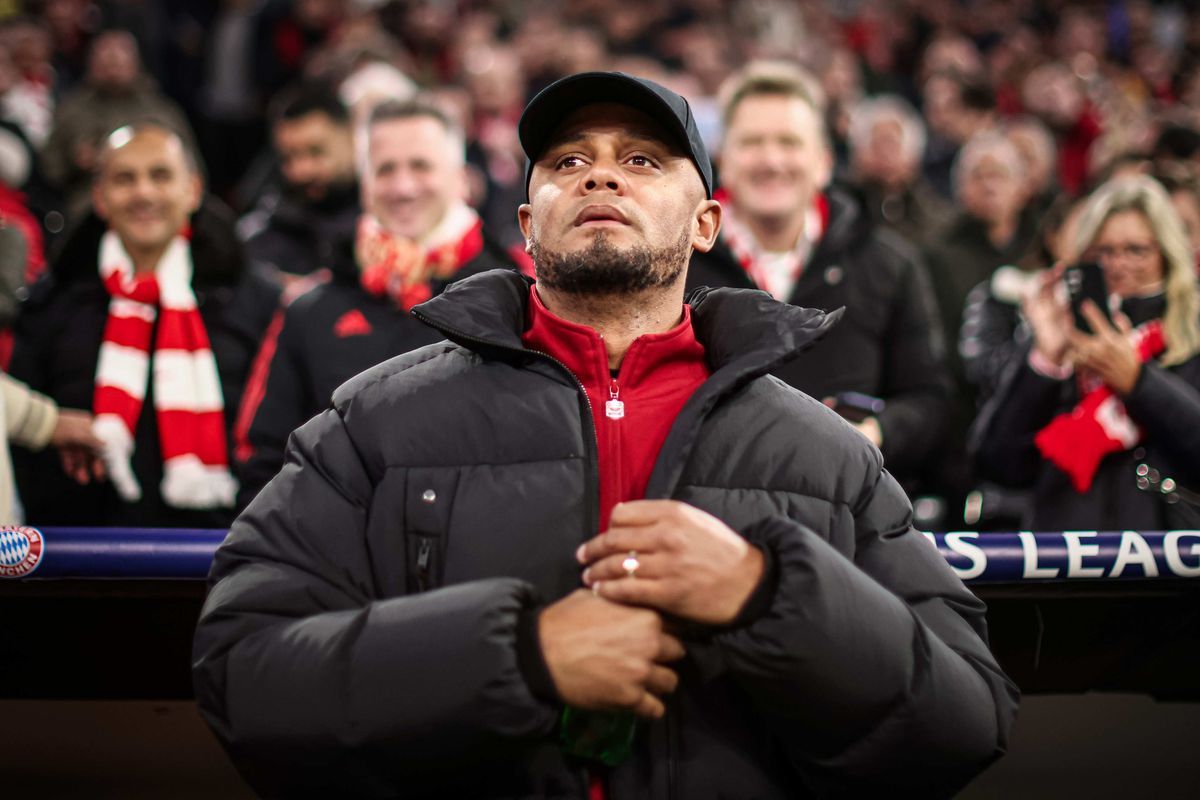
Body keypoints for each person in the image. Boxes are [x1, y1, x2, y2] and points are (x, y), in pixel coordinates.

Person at [194, 71, 1016, 798]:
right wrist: (517, 657)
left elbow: (964, 722)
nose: (602, 176)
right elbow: (244, 672)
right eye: (567, 162)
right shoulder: (375, 423)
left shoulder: (826, 454)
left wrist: (769, 598)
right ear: (527, 222)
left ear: (705, 224)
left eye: (644, 160)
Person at [234, 98, 520, 508]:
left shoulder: (517, 300)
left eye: (421, 166)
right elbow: (262, 460)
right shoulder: (309, 310)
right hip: (341, 560)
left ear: (461, 179)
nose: (403, 187)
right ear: (364, 182)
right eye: (386, 169)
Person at [686, 61, 951, 490]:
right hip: (709, 512)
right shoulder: (674, 263)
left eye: (789, 142)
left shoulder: (889, 264)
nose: (772, 160)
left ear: (824, 162)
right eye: (752, 142)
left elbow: (931, 401)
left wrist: (874, 434)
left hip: (847, 513)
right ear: (723, 160)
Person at [9, 122, 279, 527]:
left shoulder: (254, 299)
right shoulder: (54, 301)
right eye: (124, 179)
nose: (143, 193)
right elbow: (24, 440)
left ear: (192, 189)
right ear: (99, 198)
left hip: (225, 552)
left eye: (160, 175)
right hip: (81, 558)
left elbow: (280, 433)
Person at [973, 175, 1200, 530]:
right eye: (1103, 252)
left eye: (1136, 250)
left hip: (1166, 559)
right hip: (1063, 559)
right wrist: (1043, 364)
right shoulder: (1061, 332)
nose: (1118, 264)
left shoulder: (1192, 335)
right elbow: (998, 463)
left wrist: (1139, 382)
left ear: (1167, 254)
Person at [41, 29, 193, 224]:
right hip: (89, 210)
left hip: (157, 205)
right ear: (91, 64)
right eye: (106, 61)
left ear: (135, 64)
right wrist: (75, 163)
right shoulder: (72, 111)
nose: (112, 68)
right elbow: (48, 169)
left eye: (119, 61)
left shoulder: (162, 111)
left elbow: (192, 166)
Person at [237, 81, 360, 285]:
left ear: (352, 140)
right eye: (288, 157)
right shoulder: (257, 245)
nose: (301, 171)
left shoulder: (389, 228)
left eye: (316, 152)